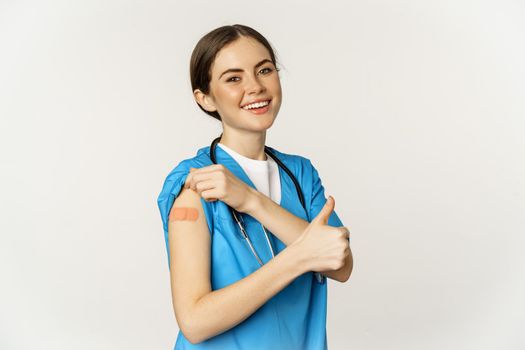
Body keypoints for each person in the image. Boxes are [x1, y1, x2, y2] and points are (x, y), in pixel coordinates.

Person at [157, 24, 353, 350]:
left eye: (264, 70)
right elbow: (194, 322)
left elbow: (341, 264)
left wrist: (251, 200)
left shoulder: (300, 174)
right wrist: (300, 257)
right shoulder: (194, 186)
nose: (256, 87)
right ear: (205, 98)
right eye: (233, 78)